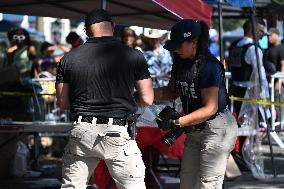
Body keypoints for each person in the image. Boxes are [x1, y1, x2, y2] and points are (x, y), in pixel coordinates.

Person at [56, 9, 153, 189]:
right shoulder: (133, 56)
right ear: (114, 27)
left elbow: (62, 102)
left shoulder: (68, 59)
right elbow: (147, 98)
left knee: (72, 187)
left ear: (85, 31)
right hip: (117, 130)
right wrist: (130, 99)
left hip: (82, 131)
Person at [154, 19, 238, 189]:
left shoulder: (209, 66)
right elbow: (171, 92)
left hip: (216, 127)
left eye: (179, 44)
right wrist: (145, 93)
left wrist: (177, 123)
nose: (175, 49)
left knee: (208, 185)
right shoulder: (179, 61)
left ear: (194, 42)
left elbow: (210, 108)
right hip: (194, 129)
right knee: (187, 183)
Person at [228, 19, 269, 116]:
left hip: (235, 90)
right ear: (252, 30)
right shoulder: (253, 48)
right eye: (260, 31)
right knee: (252, 126)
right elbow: (260, 73)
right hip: (249, 91)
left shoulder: (234, 45)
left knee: (239, 123)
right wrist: (265, 94)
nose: (262, 34)